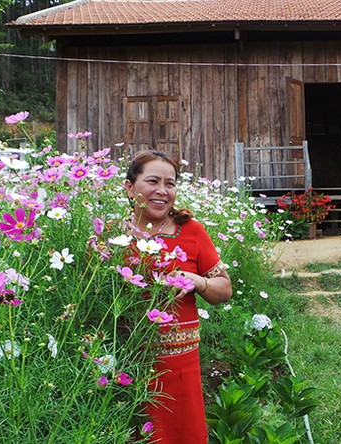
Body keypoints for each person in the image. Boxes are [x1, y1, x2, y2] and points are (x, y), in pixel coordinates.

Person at [124, 150, 232, 443]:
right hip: (127, 366)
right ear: (129, 187)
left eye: (170, 183)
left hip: (180, 368)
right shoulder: (113, 236)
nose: (162, 191)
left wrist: (199, 282)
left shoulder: (191, 231)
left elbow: (224, 288)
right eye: (152, 181)